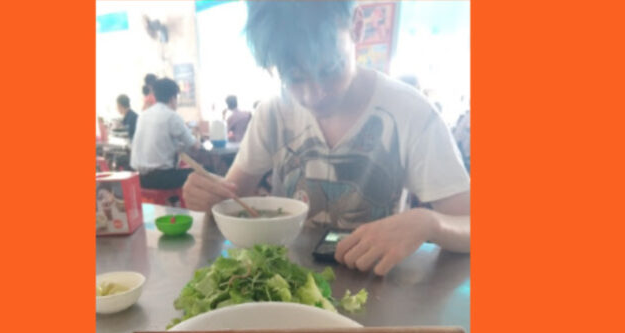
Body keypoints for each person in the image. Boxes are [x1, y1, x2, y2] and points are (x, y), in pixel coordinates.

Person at [183, 1, 470, 276]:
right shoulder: (273, 112)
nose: (313, 95)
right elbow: (235, 198)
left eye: (328, 70)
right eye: (294, 78)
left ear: (356, 26)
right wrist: (211, 195)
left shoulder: (412, 113)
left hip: (375, 284)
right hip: (285, 284)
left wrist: (429, 224)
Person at [130, 78, 197, 190]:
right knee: (201, 173)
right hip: (160, 179)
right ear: (172, 98)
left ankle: (171, 203)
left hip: (139, 177)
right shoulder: (172, 116)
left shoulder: (143, 115)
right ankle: (188, 207)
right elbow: (194, 146)